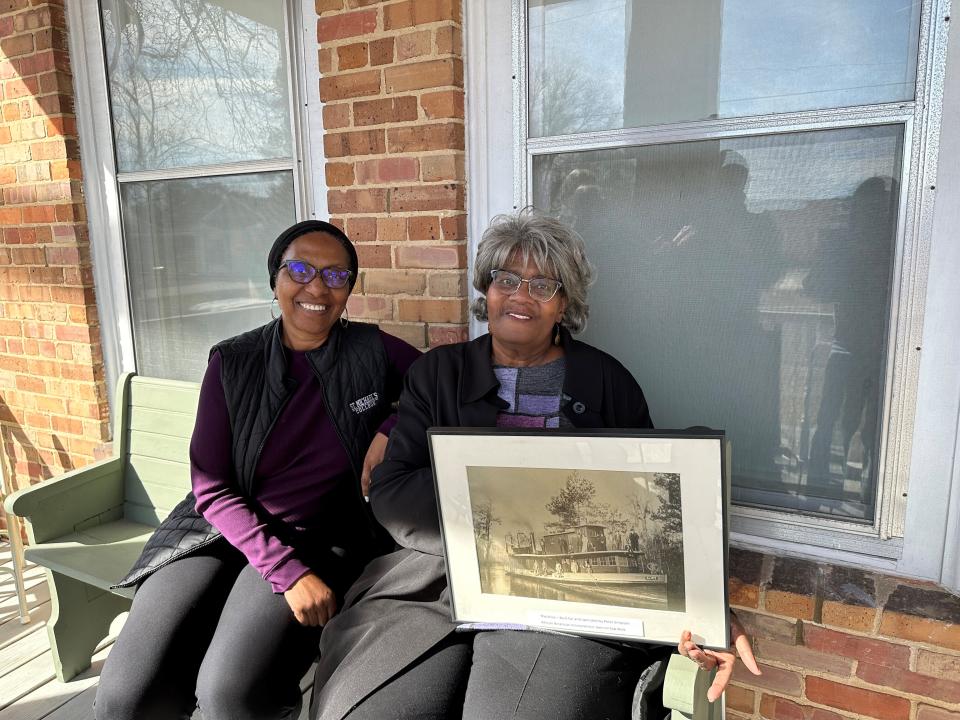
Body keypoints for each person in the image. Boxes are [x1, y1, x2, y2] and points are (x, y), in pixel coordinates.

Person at [310, 210, 759, 720]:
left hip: (567, 598)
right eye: (506, 279)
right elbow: (392, 491)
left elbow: (651, 505)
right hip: (435, 581)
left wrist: (704, 611)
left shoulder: (608, 382)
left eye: (543, 284)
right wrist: (506, 518)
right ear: (487, 289)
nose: (521, 296)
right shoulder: (438, 373)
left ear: (564, 302)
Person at [94, 220, 420, 720]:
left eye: (336, 276)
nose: (317, 287)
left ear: (350, 289)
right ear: (275, 280)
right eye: (301, 269)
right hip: (215, 530)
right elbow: (211, 487)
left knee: (231, 694)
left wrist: (390, 426)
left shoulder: (373, 351)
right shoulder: (232, 361)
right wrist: (287, 574)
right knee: (126, 695)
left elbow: (441, 385)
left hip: (320, 532)